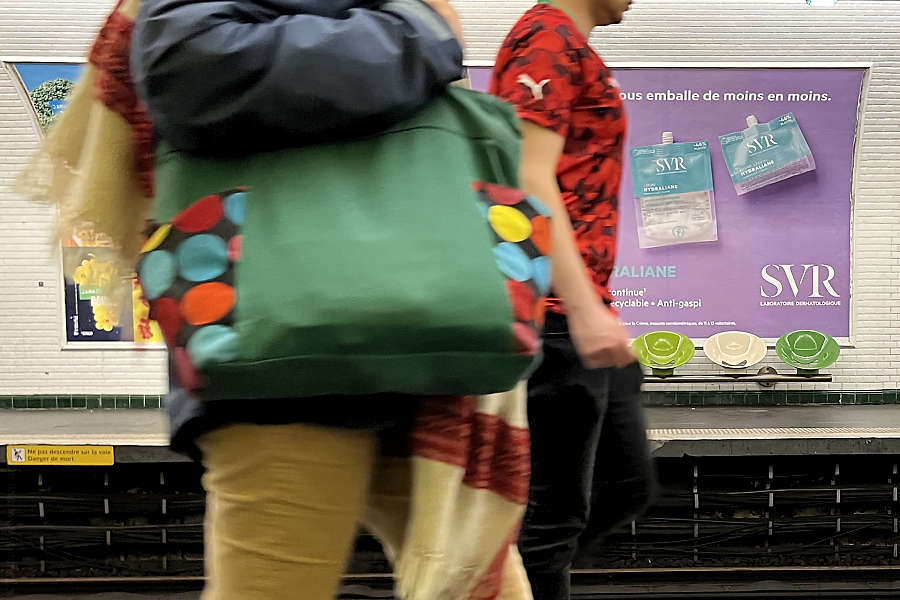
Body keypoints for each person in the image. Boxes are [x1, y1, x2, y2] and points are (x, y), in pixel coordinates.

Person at [18, 1, 532, 599]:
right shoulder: (413, 22)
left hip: (426, 360)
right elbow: (191, 65)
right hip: (279, 363)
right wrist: (417, 31)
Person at [490, 1, 657, 598]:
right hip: (553, 317)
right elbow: (528, 179)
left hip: (579, 313)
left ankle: (495, 580)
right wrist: (584, 310)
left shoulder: (572, 47)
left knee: (625, 485)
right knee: (552, 520)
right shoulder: (544, 39)